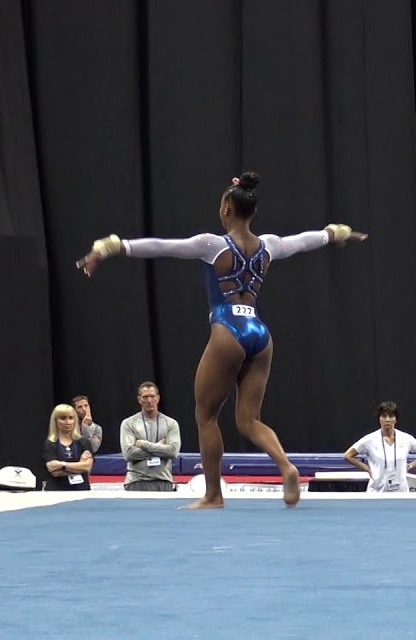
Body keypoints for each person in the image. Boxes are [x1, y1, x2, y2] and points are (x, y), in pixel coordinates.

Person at [80, 171, 366, 509]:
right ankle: (286, 466)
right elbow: (308, 239)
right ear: (253, 212)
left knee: (206, 416)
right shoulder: (269, 246)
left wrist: (111, 247)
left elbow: (163, 247)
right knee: (250, 420)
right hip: (260, 334)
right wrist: (338, 234)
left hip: (227, 331)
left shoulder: (212, 245)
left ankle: (214, 495)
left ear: (226, 208)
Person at [343, 401, 416, 492]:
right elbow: (348, 455)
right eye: (384, 416)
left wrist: (409, 466)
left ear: (396, 419)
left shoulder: (406, 438)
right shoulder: (369, 439)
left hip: (401, 491)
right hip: (377, 491)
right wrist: (367, 468)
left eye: (391, 416)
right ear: (379, 419)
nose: (387, 420)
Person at [120, 382, 181, 492]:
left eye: (152, 396)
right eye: (145, 397)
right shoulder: (128, 423)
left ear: (158, 398)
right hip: (136, 481)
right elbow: (129, 454)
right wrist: (160, 447)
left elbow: (173, 452)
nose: (149, 401)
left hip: (163, 481)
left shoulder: (171, 423)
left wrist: (143, 444)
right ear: (139, 399)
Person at [41, 404, 94, 491]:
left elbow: (86, 467)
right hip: (56, 491)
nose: (68, 422)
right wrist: (78, 467)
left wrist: (62, 465)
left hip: (81, 490)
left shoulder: (83, 442)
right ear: (55, 421)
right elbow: (54, 471)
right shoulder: (50, 444)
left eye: (71, 418)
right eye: (63, 418)